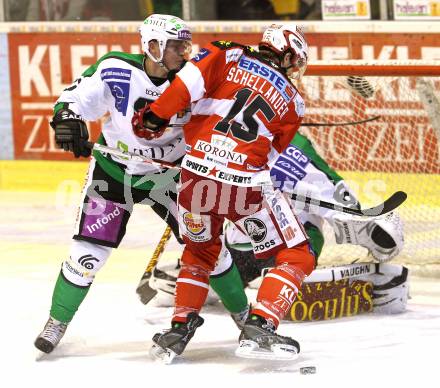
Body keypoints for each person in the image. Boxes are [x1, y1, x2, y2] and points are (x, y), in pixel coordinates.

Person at [133, 23, 313, 362]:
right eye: (294, 62)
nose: (294, 70)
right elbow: (269, 158)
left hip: (194, 179)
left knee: (200, 254)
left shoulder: (228, 53)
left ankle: (178, 328)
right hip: (244, 185)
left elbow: (186, 85)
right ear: (286, 55)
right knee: (297, 253)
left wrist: (156, 115)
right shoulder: (294, 102)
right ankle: (262, 324)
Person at [34, 13, 194, 354]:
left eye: (185, 44)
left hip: (169, 175)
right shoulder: (116, 68)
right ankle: (57, 320)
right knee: (88, 253)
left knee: (208, 247)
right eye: (176, 45)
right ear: (153, 46)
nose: (184, 52)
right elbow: (72, 102)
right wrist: (68, 121)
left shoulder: (195, 80)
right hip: (114, 171)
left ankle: (246, 319)